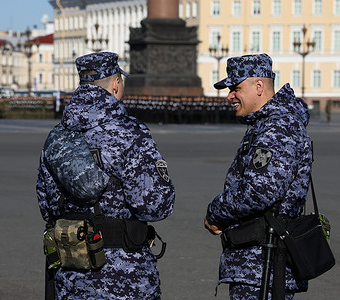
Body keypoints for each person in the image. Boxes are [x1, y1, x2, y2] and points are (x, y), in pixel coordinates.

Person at [36, 52, 175, 299]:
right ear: (115, 84)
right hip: (125, 275)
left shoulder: (58, 135)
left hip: (71, 275)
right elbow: (155, 206)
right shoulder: (131, 132)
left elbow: (47, 206)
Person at [204, 54, 313, 299]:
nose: (230, 95)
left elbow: (260, 190)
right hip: (257, 262)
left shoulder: (277, 126)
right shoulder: (268, 123)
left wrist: (215, 211)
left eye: (236, 87)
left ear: (259, 86)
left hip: (264, 265)